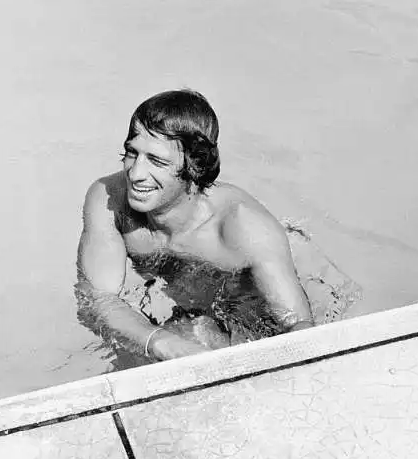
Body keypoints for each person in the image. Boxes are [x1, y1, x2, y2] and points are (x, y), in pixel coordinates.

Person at [75, 89, 315, 363]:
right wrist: (158, 341)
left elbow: (300, 329)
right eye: (132, 153)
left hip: (250, 315)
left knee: (190, 337)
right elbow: (95, 299)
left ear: (195, 167)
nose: (136, 174)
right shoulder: (109, 198)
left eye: (157, 161)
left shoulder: (243, 229)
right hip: (189, 307)